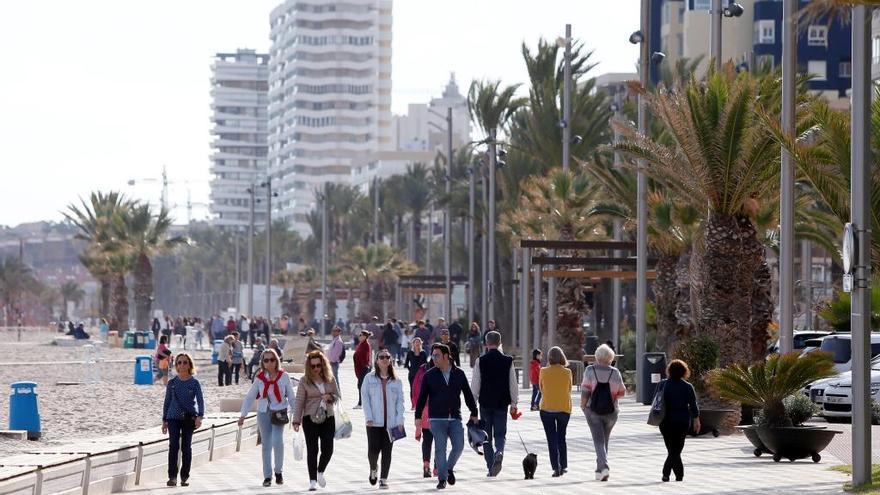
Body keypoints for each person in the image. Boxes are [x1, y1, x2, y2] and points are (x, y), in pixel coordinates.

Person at [415, 343, 479, 490]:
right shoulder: (429, 375)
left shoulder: (459, 373)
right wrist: (418, 416)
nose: (434, 358)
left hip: (455, 417)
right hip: (436, 418)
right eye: (433, 355)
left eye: (437, 355)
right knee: (440, 449)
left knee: (459, 446)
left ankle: (448, 469)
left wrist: (474, 412)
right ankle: (442, 479)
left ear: (446, 356)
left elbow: (468, 395)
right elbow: (422, 398)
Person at [239, 348, 296, 487]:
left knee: (277, 441)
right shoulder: (260, 378)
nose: (269, 363)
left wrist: (297, 416)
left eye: (272, 360)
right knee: (266, 445)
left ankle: (278, 471)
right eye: (266, 360)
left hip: (279, 412)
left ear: (276, 361)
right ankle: (267, 476)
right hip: (263, 412)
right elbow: (250, 396)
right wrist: (243, 415)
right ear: (262, 362)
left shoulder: (284, 376)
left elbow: (292, 397)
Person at [470, 331, 519, 477]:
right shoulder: (508, 360)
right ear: (499, 343)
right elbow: (513, 384)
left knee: (486, 436)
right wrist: (514, 403)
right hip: (501, 403)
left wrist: (473, 406)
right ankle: (500, 450)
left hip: (485, 403)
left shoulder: (481, 361)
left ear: (486, 343)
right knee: (500, 433)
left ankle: (491, 465)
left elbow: (475, 384)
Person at [292, 351, 341, 491]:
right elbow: (299, 401)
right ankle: (312, 480)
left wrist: (330, 397)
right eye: (312, 366)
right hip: (309, 418)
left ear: (323, 365)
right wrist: (296, 421)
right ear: (309, 366)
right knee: (312, 450)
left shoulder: (330, 379)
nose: (316, 369)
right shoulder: (304, 380)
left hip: (328, 417)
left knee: (328, 449)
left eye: (318, 365)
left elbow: (337, 396)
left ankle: (320, 471)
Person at [580, 344, 626, 481]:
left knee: (598, 441)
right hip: (612, 412)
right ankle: (600, 471)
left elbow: (585, 390)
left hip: (593, 411)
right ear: (610, 358)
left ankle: (604, 467)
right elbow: (622, 392)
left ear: (597, 356)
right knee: (604, 440)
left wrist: (583, 406)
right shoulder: (615, 372)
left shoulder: (590, 370)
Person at [361, 349, 405, 489]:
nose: (385, 359)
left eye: (387, 357)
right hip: (373, 422)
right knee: (373, 451)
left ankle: (384, 478)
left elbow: (400, 402)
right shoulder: (369, 378)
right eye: (381, 357)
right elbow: (365, 398)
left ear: (390, 360)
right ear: (377, 360)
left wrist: (400, 421)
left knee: (387, 451)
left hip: (391, 423)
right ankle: (373, 469)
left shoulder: (396, 380)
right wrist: (368, 417)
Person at [162, 352, 204, 487]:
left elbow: (200, 401)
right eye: (179, 362)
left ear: (189, 364)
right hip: (173, 417)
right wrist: (164, 420)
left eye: (185, 362)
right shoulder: (172, 383)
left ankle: (184, 476)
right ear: (176, 365)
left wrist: (200, 417)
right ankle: (172, 477)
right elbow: (167, 402)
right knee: (173, 446)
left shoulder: (194, 382)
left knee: (186, 447)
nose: (182, 365)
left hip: (188, 418)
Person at [658, 359, 700, 482]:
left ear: (669, 371)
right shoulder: (688, 387)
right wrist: (696, 419)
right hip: (682, 422)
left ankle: (677, 475)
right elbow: (693, 405)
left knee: (672, 449)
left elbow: (656, 402)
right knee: (676, 449)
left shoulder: (662, 384)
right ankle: (669, 472)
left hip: (665, 422)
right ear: (684, 372)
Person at [539, 346, 572, 477]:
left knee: (551, 439)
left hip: (547, 408)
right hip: (564, 408)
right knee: (561, 438)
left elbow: (541, 388)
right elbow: (569, 389)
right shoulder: (567, 372)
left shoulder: (543, 371)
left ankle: (555, 467)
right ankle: (563, 465)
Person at [412, 358, 436, 478]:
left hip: (425, 410)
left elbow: (415, 389)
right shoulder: (444, 369)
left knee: (427, 440)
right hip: (439, 411)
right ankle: (437, 467)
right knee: (440, 441)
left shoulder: (422, 370)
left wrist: (416, 406)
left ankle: (426, 465)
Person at [404, 337, 428, 408]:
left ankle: (420, 404)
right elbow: (406, 364)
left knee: (421, 389)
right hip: (412, 375)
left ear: (421, 343)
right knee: (412, 389)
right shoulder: (410, 353)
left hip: (421, 375)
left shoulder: (423, 353)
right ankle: (413, 404)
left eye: (418, 342)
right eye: (415, 342)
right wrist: (411, 369)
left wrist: (423, 371)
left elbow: (426, 364)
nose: (417, 343)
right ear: (413, 344)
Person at [353, 330, 372, 409]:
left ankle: (361, 403)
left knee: (361, 386)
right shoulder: (361, 344)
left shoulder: (366, 345)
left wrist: (366, 365)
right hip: (360, 368)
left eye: (360, 335)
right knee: (361, 385)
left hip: (364, 368)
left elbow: (366, 357)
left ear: (364, 336)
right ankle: (362, 403)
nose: (359, 336)